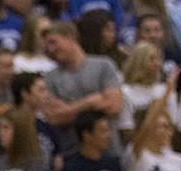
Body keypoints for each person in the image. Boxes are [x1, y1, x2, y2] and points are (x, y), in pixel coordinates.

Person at [41, 21, 123, 155]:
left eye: (53, 42)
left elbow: (114, 106)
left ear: (71, 37)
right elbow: (55, 117)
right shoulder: (50, 78)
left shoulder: (104, 65)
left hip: (109, 152)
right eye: (47, 45)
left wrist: (69, 109)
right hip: (72, 153)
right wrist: (91, 102)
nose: (51, 49)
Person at [118, 41, 178, 144]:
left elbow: (174, 125)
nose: (157, 63)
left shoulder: (167, 90)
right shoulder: (125, 92)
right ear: (139, 62)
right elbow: (126, 131)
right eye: (152, 59)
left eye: (159, 59)